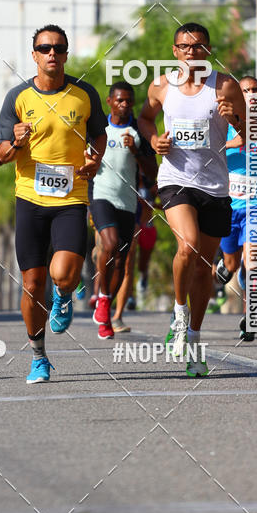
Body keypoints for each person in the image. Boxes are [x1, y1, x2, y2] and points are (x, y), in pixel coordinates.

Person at [0, 24, 107, 384]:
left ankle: (63, 295)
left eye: (58, 48)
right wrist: (15, 141)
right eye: (45, 48)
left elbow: (99, 135)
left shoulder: (84, 94)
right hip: (30, 198)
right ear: (34, 55)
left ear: (66, 54)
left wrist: (95, 159)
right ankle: (38, 356)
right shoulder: (17, 97)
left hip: (71, 197)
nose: (52, 53)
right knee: (31, 284)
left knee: (64, 275)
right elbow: (0, 155)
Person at [138, 22, 246, 377]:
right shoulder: (161, 85)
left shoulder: (225, 86)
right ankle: (179, 312)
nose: (191, 52)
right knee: (188, 245)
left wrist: (235, 120)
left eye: (198, 46)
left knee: (203, 268)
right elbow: (145, 119)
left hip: (215, 187)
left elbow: (251, 131)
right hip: (176, 181)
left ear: (208, 51)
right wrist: (154, 141)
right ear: (175, 51)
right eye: (185, 46)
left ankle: (195, 341)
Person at [91, 82, 157, 338]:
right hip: (101, 196)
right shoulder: (98, 128)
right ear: (110, 101)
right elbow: (86, 162)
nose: (125, 104)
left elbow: (152, 172)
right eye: (120, 100)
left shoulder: (139, 130)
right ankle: (102, 299)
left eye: (129, 100)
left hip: (128, 203)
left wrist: (135, 151)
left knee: (121, 259)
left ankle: (106, 305)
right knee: (110, 244)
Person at [215, 75, 257, 341]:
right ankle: (227, 264)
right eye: (246, 91)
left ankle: (251, 316)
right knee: (232, 264)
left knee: (253, 262)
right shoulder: (222, 124)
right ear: (238, 95)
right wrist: (230, 142)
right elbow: (211, 151)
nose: (251, 95)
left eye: (256, 90)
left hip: (256, 205)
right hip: (228, 204)